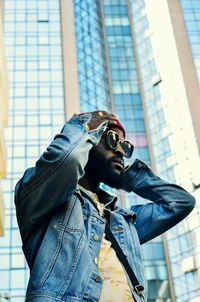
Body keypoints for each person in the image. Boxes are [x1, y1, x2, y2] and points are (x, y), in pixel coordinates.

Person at [15, 111, 195, 302]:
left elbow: (181, 202)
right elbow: (68, 160)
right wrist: (80, 125)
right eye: (112, 139)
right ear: (88, 141)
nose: (120, 151)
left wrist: (127, 177)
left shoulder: (121, 222)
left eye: (124, 146)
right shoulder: (44, 196)